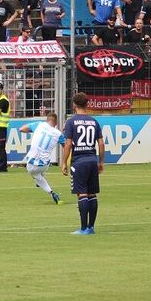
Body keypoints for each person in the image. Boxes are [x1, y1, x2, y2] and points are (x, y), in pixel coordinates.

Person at [61, 93, 105, 235]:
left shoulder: (71, 122)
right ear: (87, 104)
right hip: (92, 160)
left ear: (74, 105)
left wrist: (64, 162)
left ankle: (83, 228)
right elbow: (101, 143)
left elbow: (68, 144)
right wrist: (101, 161)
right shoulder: (94, 121)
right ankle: (91, 227)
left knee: (82, 194)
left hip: (79, 162)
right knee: (92, 194)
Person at [19, 113, 64, 204]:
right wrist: (64, 162)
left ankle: (51, 193)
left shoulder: (39, 125)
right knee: (45, 161)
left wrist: (33, 130)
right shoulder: (59, 134)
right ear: (56, 123)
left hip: (32, 164)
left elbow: (21, 129)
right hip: (45, 165)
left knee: (36, 175)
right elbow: (67, 146)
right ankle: (41, 178)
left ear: (46, 120)